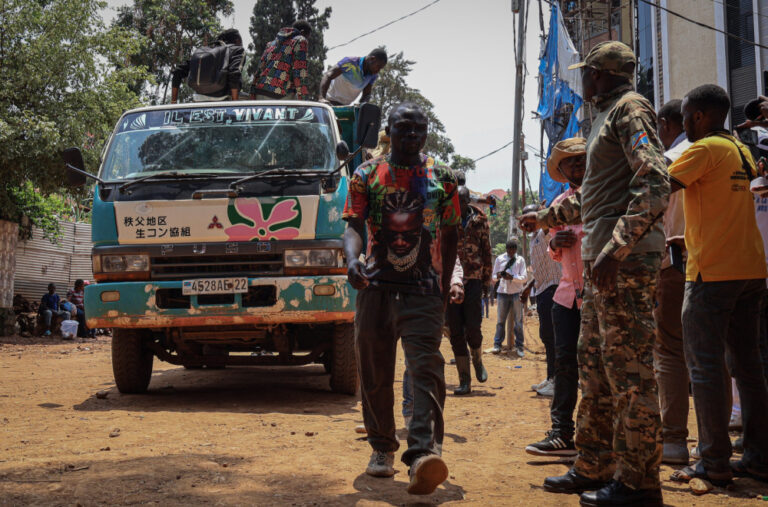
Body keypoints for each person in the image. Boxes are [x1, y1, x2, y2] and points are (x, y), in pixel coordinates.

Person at [520, 41, 669, 506]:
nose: (581, 79)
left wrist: (617, 246)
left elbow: (655, 181)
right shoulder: (605, 117)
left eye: (586, 72)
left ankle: (639, 482)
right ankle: (593, 464)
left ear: (602, 75)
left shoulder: (631, 110)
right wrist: (544, 218)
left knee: (629, 373)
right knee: (596, 368)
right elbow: (596, 196)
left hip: (621, 263)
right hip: (602, 264)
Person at [342, 101, 460, 495]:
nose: (412, 135)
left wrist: (443, 290)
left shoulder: (442, 177)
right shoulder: (366, 174)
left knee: (426, 372)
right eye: (404, 128)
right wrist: (352, 258)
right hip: (374, 289)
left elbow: (451, 233)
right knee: (375, 374)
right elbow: (354, 225)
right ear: (388, 131)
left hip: (423, 291)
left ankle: (424, 455)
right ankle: (381, 448)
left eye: (419, 128)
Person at [667, 84, 768, 486]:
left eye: (688, 116)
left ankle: (714, 462)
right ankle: (758, 457)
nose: (686, 124)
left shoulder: (704, 148)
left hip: (712, 272)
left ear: (699, 116)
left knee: (705, 368)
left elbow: (659, 186)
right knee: (748, 368)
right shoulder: (742, 149)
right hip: (751, 270)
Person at [525, 137, 586, 458]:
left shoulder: (603, 196)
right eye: (570, 162)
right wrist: (555, 243)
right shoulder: (557, 206)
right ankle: (562, 431)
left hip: (596, 294)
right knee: (564, 364)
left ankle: (598, 435)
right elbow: (556, 255)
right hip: (566, 297)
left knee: (596, 365)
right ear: (561, 170)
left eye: (581, 159)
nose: (576, 165)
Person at [653, 99, 693, 466]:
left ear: (666, 125)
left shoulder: (671, 159)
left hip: (674, 264)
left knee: (669, 351)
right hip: (720, 263)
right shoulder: (727, 152)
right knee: (717, 356)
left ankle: (674, 439)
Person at [448, 186, 492, 395]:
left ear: (468, 201)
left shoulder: (480, 221)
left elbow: (487, 251)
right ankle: (464, 379)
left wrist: (486, 282)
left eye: (462, 201)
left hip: (474, 279)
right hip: (451, 281)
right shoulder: (446, 219)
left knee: (473, 327)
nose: (459, 205)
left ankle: (477, 360)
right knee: (455, 331)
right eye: (456, 200)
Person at [521, 203, 562, 397]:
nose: (526, 222)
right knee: (547, 337)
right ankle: (551, 376)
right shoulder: (533, 238)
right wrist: (529, 286)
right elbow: (538, 268)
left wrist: (537, 216)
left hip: (554, 288)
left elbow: (545, 224)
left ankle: (557, 380)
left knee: (553, 337)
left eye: (528, 219)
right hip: (543, 289)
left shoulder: (546, 233)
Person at [170, 29, 245, 103]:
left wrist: (173, 102)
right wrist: (235, 103)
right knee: (247, 97)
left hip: (198, 99)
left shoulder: (205, 52)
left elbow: (177, 72)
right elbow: (234, 74)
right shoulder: (237, 50)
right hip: (223, 99)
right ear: (237, 40)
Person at [250, 20, 311, 101]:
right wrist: (304, 102)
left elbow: (259, 69)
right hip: (280, 97)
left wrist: (252, 92)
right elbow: (300, 73)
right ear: (302, 33)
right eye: (308, 37)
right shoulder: (300, 40)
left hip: (259, 94)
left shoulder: (271, 44)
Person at [490, 239, 526, 357]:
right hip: (502, 293)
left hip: (516, 292)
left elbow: (524, 278)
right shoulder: (500, 259)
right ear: (506, 249)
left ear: (516, 250)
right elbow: (494, 277)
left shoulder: (520, 260)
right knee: (500, 321)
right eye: (509, 250)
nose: (511, 253)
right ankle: (497, 345)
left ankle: (519, 346)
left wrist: (512, 277)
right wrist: (499, 275)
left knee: (518, 321)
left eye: (513, 250)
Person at [319, 48, 387, 105]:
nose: (378, 70)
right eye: (378, 66)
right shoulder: (350, 62)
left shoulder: (372, 75)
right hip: (330, 102)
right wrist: (322, 98)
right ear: (372, 59)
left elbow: (366, 94)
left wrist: (362, 106)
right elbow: (328, 75)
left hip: (346, 106)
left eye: (380, 69)